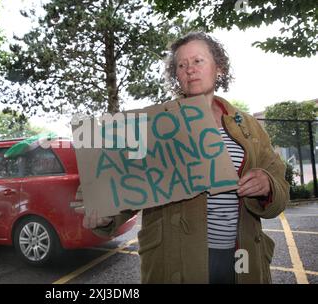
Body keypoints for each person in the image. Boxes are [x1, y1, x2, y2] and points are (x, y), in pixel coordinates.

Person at [75, 32, 289, 284]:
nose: (190, 70)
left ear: (218, 67)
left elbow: (279, 185)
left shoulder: (249, 126)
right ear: (176, 75)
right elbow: (126, 183)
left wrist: (267, 184)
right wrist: (106, 214)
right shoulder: (154, 125)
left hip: (242, 257)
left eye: (198, 61)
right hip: (174, 261)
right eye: (181, 65)